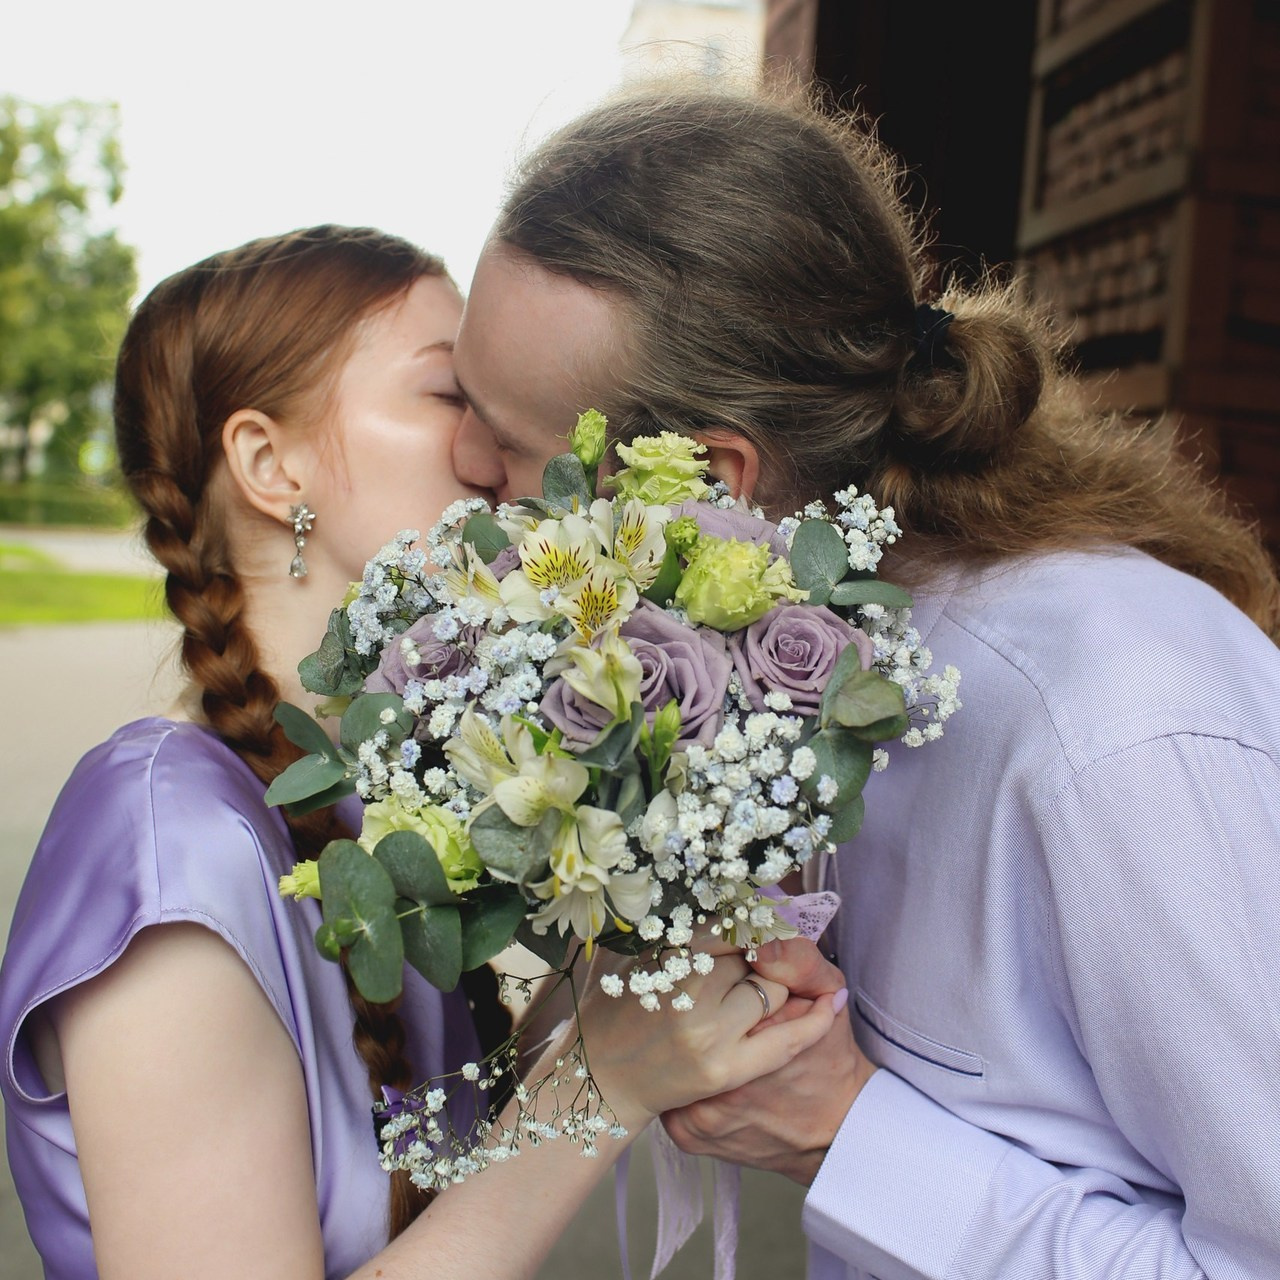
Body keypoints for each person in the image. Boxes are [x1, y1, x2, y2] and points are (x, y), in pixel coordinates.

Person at [447, 86, 1280, 1279]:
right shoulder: (759, 658)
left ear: (706, 479)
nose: (462, 468)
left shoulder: (1115, 730)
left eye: (504, 441)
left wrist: (846, 1134)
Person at [0, 224, 844, 1280]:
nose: (494, 458)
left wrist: (656, 931)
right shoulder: (169, 847)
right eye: (452, 395)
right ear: (271, 463)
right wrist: (596, 1086)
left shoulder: (374, 806)